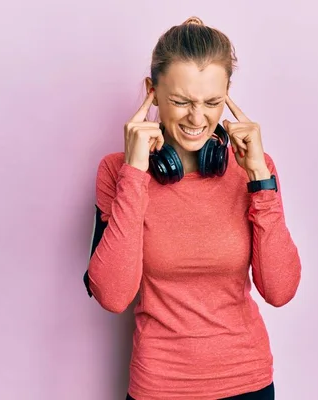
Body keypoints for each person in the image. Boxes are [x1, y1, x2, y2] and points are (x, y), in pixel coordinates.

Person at [86, 16, 302, 400]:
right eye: (181, 101)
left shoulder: (255, 169)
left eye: (212, 102)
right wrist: (134, 174)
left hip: (247, 381)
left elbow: (280, 290)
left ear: (228, 95)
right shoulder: (117, 172)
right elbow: (113, 295)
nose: (197, 118)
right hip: (160, 385)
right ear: (152, 92)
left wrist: (258, 177)